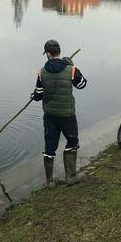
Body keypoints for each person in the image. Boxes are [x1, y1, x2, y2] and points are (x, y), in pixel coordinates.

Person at [32, 39, 87, 185]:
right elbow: (82, 84)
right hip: (67, 115)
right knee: (72, 141)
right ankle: (70, 177)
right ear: (59, 52)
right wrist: (73, 66)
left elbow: (38, 95)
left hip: (50, 116)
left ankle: (49, 181)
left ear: (48, 54)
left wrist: (33, 96)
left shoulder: (41, 73)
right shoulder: (71, 70)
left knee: (50, 146)